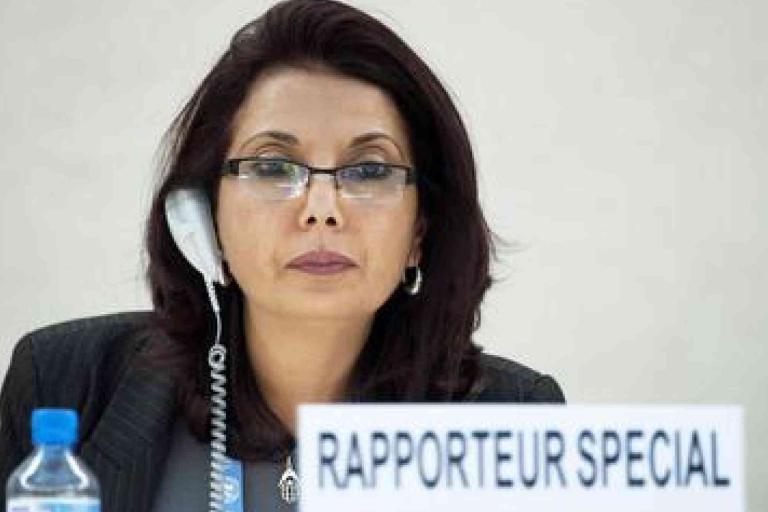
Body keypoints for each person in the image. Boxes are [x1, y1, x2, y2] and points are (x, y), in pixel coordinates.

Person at [0, 0, 565, 510]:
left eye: (369, 169)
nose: (323, 209)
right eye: (272, 167)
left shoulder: (515, 420)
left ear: (421, 229)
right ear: (203, 215)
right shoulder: (65, 383)